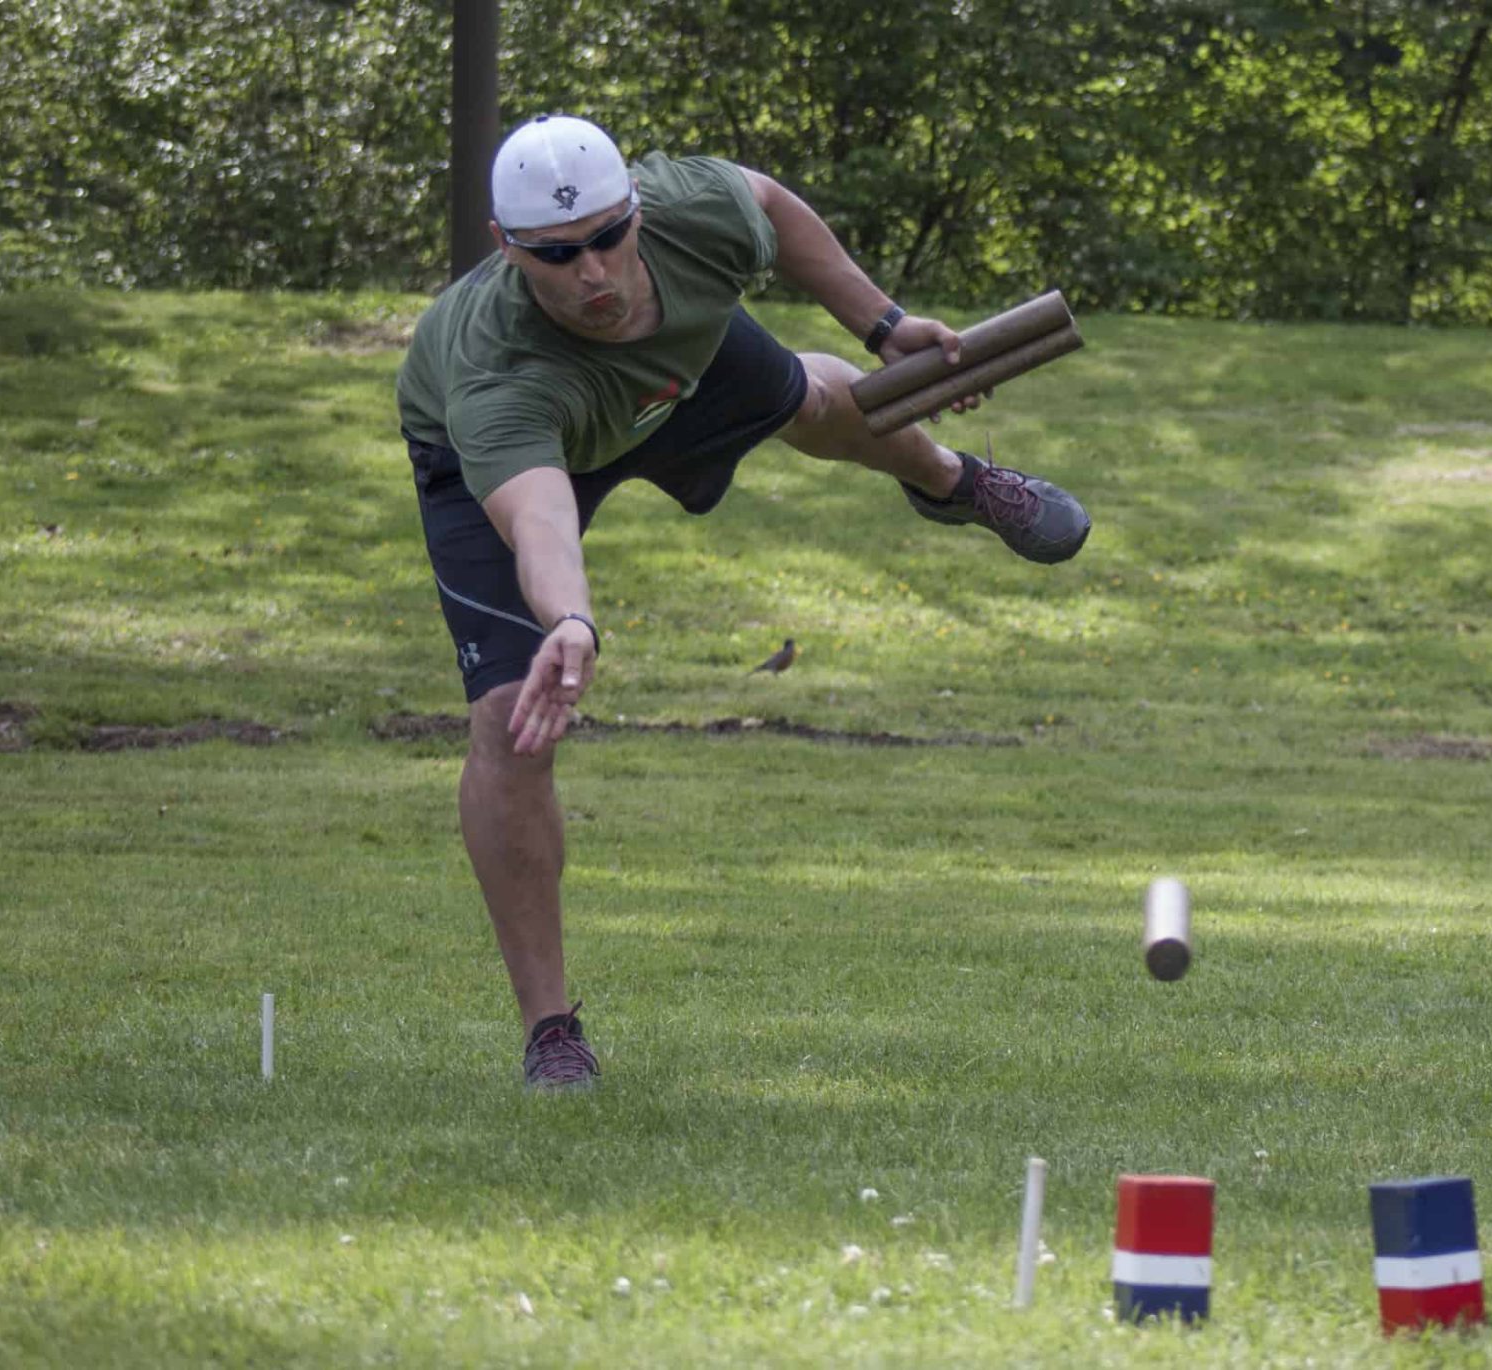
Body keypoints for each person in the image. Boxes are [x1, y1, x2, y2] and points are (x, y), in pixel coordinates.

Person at [396, 114, 1091, 1090]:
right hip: (511, 450)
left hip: (680, 363)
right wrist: (571, 619)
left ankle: (952, 482)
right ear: (508, 247)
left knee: (817, 399)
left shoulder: (688, 216)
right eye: (557, 254)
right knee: (512, 725)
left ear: (636, 213)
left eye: (606, 236)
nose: (592, 271)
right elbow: (540, 519)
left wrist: (886, 327)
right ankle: (551, 1030)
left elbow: (769, 202)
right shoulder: (494, 372)